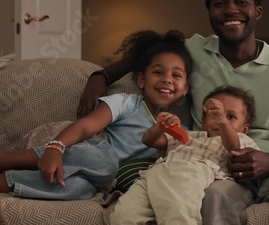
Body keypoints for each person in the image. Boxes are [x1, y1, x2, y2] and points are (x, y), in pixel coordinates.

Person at [78, 0, 269, 224]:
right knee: (214, 198)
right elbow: (147, 55)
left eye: (241, 2)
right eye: (220, 3)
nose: (231, 10)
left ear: (258, 11)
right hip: (216, 171)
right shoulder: (194, 50)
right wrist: (99, 76)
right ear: (210, 13)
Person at [0, 30, 192, 201]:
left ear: (185, 89)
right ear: (141, 79)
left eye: (176, 76)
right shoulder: (127, 103)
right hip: (83, 155)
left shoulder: (177, 128)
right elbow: (85, 127)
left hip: (100, 185)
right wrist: (56, 147)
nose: (166, 80)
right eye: (158, 72)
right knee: (103, 156)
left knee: (75, 189)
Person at [110, 86, 259, 224]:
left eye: (231, 117)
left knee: (177, 211)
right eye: (214, 113)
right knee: (123, 215)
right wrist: (161, 127)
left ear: (244, 129)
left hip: (191, 171)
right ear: (203, 121)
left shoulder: (241, 140)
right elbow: (148, 140)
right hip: (156, 172)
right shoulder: (189, 136)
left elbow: (234, 147)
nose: (221, 118)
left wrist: (222, 122)